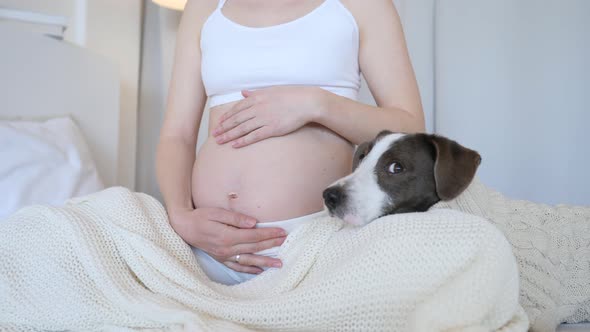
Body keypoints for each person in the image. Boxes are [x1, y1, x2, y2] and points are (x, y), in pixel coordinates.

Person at [156, 0, 425, 285]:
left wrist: (316, 104)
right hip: (206, 247)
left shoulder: (360, 5)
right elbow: (177, 135)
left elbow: (410, 129)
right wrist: (181, 215)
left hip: (314, 246)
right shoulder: (204, 7)